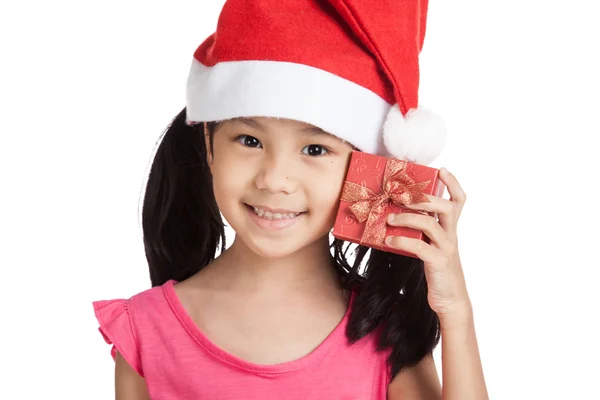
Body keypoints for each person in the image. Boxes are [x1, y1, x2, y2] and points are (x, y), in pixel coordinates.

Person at [92, 0, 488, 399]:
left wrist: (455, 312)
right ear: (209, 146)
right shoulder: (144, 329)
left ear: (368, 169)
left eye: (315, 149)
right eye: (249, 140)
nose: (275, 179)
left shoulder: (387, 333)